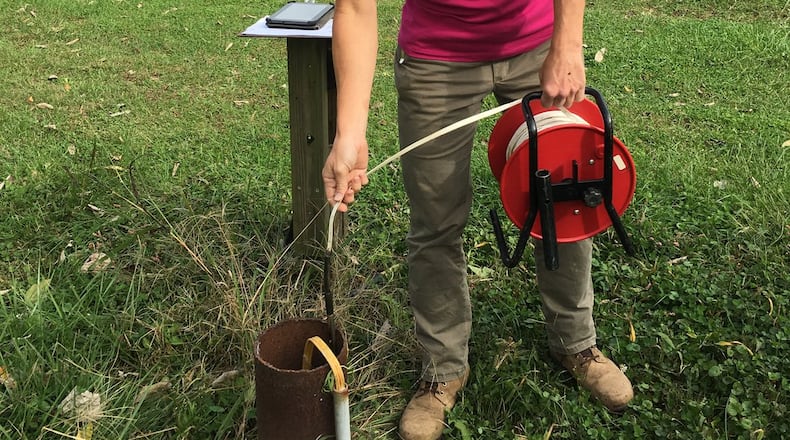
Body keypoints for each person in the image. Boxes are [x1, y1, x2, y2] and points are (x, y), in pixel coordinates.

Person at [322, 0, 634, 438]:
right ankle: (443, 369)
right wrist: (350, 132)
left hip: (536, 43)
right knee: (435, 220)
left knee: (565, 197)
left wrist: (565, 45)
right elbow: (354, 8)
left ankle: (576, 343)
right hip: (435, 59)